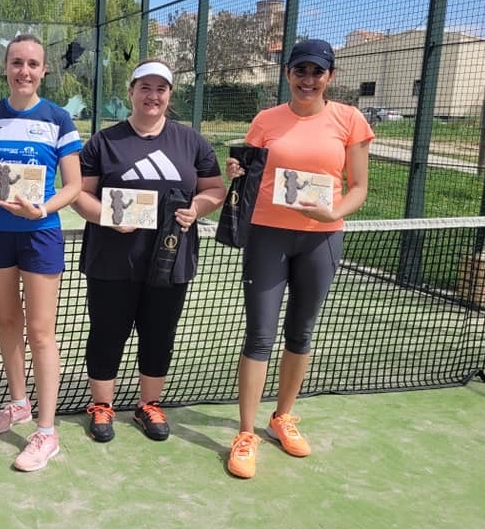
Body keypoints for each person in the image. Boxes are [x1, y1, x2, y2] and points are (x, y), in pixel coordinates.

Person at [225, 39, 374, 479]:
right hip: (267, 236)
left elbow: (359, 187)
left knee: (301, 332)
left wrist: (335, 212)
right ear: (288, 74)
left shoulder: (350, 119)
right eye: (300, 71)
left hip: (321, 240)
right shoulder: (266, 120)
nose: (308, 80)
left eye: (317, 72)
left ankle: (283, 417)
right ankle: (246, 433)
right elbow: (247, 172)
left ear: (331, 76)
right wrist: (235, 171)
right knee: (259, 335)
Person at [72, 59, 226, 443]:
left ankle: (148, 405)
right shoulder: (104, 142)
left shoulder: (191, 142)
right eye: (145, 87)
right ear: (131, 92)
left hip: (170, 259)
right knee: (107, 333)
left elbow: (214, 190)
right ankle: (102, 407)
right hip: (111, 259)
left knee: (159, 334)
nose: (152, 96)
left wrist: (197, 209)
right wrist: (108, 216)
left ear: (169, 95)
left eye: (161, 89)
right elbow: (79, 195)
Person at [0, 34, 82, 472]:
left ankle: (46, 432)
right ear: (6, 67)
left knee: (41, 331)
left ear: (44, 70)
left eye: (32, 64)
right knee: (8, 321)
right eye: (16, 62)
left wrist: (41, 208)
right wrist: (4, 186)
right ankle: (18, 403)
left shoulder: (58, 119)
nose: (24, 71)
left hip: (41, 233)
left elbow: (72, 185)